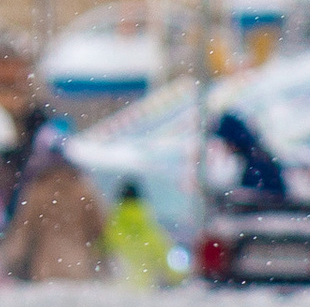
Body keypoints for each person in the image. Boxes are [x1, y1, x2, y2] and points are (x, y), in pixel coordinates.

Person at [0, 123, 108, 283]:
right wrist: (104, 265)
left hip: (45, 271)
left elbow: (23, 234)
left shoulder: (38, 190)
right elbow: (101, 232)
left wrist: (9, 265)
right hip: (79, 270)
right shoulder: (83, 190)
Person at [103, 182, 180, 290]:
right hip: (145, 293)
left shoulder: (109, 230)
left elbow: (98, 258)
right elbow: (172, 271)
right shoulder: (152, 232)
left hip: (115, 291)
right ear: (141, 200)